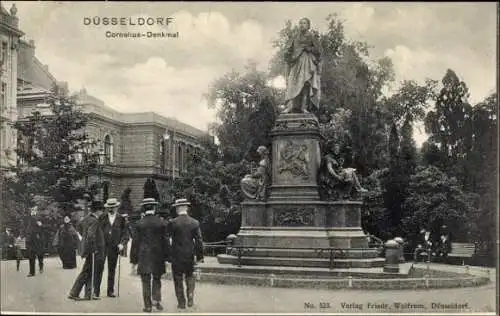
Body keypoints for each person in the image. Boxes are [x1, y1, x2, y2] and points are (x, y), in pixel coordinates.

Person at [130, 198, 170, 313]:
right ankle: (156, 302)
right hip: (158, 256)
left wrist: (133, 260)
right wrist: (167, 258)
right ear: (154, 208)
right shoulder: (161, 223)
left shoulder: (138, 224)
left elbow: (135, 243)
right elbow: (166, 242)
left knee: (145, 281)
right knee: (157, 279)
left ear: (144, 208)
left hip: (144, 256)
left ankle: (147, 306)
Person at [168, 198, 204, 309]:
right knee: (190, 276)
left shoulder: (172, 223)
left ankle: (181, 302)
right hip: (189, 255)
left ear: (178, 208)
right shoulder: (194, 222)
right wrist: (199, 257)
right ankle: (190, 296)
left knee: (178, 278)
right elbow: (199, 241)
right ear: (187, 208)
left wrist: (168, 256)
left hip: (176, 255)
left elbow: (168, 240)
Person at [68, 201, 106, 301]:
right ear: (97, 211)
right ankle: (74, 292)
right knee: (87, 271)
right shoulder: (95, 221)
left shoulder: (85, 219)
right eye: (101, 210)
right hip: (94, 250)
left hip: (88, 249)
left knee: (89, 271)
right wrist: (94, 248)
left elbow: (79, 228)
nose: (102, 212)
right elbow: (90, 235)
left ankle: (88, 294)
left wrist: (85, 242)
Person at [282, 17, 321, 114]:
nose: (302, 25)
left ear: (308, 25)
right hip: (296, 62)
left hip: (307, 62)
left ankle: (304, 107)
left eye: (304, 23)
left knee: (305, 84)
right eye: (300, 23)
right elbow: (288, 48)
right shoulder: (295, 37)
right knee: (292, 82)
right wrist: (287, 52)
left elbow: (319, 51)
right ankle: (290, 106)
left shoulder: (312, 37)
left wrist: (309, 48)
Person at [95, 198, 129, 298]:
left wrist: (122, 243)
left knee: (112, 269)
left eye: (113, 207)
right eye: (109, 207)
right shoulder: (102, 217)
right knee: (99, 268)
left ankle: (110, 291)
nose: (111, 209)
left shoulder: (121, 218)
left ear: (116, 207)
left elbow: (125, 233)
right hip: (102, 247)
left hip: (114, 247)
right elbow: (97, 231)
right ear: (107, 208)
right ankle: (96, 291)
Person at [25, 206, 46, 277]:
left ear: (36, 211)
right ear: (30, 211)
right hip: (30, 240)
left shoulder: (38, 218)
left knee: (40, 255)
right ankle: (31, 272)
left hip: (37, 240)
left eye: (35, 210)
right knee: (31, 256)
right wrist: (22, 236)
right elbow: (24, 227)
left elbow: (42, 227)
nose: (33, 211)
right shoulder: (27, 219)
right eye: (32, 209)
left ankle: (41, 266)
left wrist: (40, 225)